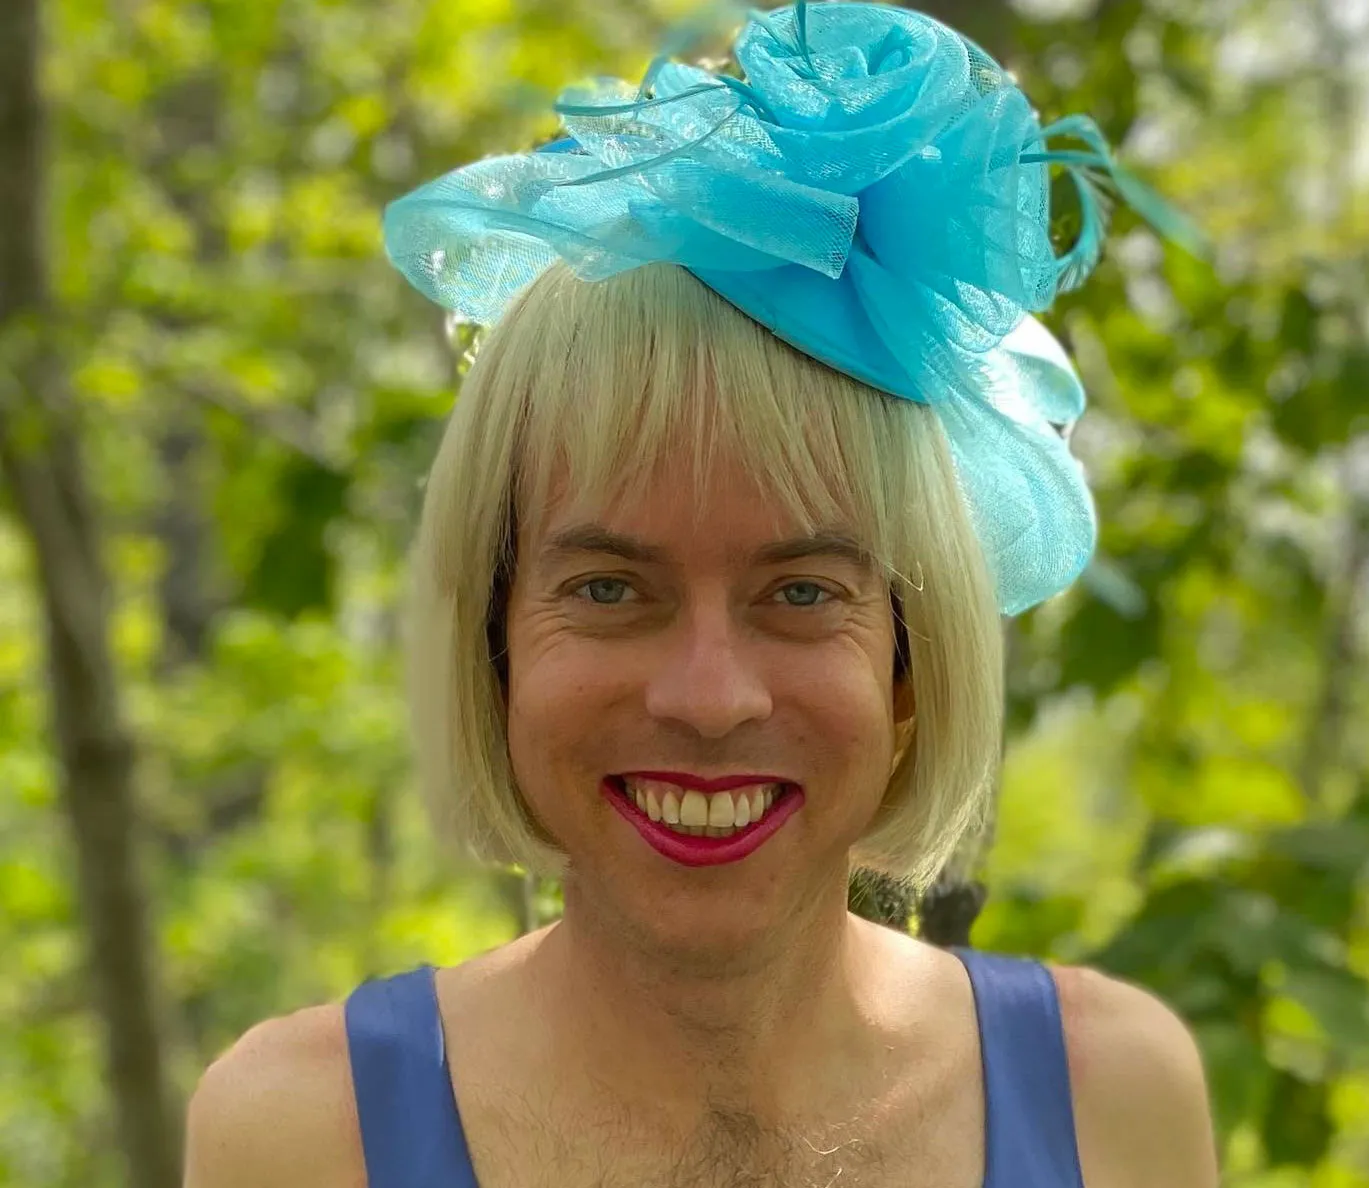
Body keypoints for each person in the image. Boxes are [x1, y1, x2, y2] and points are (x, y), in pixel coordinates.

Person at [184, 4, 1219, 1186]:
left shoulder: (1113, 1099)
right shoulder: (303, 1134)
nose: (711, 699)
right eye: (610, 588)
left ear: (909, 660)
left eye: (801, 592)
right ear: (494, 645)